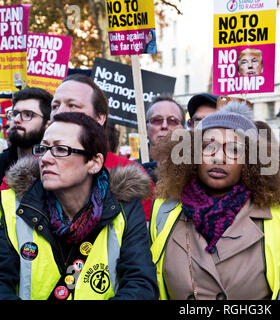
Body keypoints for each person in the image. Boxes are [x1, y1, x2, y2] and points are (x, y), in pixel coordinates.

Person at [149, 106, 280, 300]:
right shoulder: (164, 213)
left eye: (233, 149)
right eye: (208, 146)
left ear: (251, 161)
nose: (219, 157)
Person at [0, 112, 158, 300]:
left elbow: (141, 285)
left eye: (60, 149)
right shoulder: (11, 204)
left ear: (94, 162)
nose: (45, 159)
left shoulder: (125, 207)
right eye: (43, 149)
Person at [50, 73, 154, 221]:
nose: (58, 112)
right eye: (55, 106)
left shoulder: (131, 177)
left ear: (99, 118)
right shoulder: (28, 173)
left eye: (72, 105)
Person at [0, 87, 52, 186]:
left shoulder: (54, 168)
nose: (16, 119)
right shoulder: (1, 163)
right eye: (15, 114)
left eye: (28, 115)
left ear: (47, 125)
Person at [142, 94, 185, 182]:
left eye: (172, 120)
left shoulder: (197, 173)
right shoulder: (127, 172)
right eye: (157, 120)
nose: (164, 126)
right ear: (146, 129)